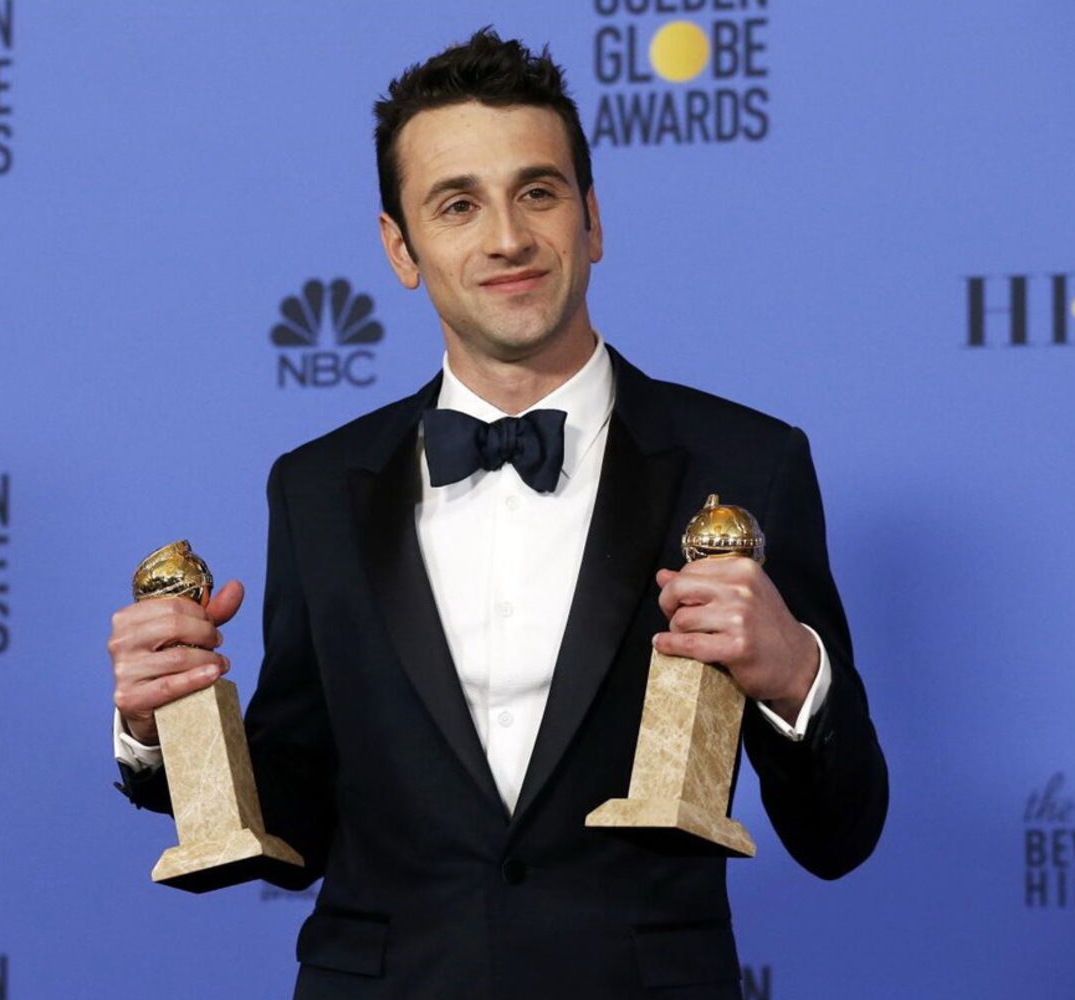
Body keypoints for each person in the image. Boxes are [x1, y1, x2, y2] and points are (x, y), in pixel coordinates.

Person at [106, 29, 888, 1000]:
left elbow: (839, 834)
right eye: (458, 204)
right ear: (400, 247)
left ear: (592, 219)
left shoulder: (745, 464)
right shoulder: (316, 487)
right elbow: (293, 819)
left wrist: (797, 676)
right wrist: (163, 725)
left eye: (538, 192)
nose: (507, 237)